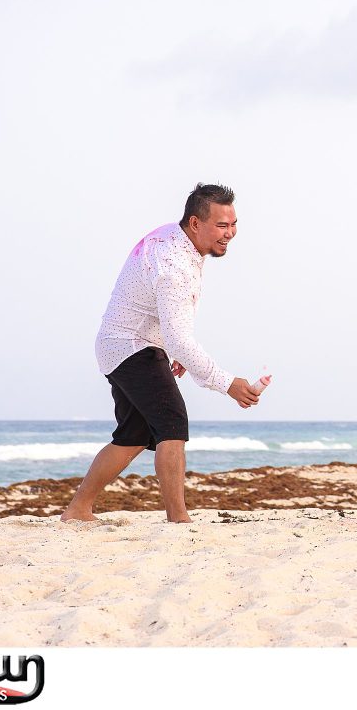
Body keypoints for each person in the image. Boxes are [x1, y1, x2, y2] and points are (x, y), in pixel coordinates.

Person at [61, 183, 262, 524]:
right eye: (221, 226)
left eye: (233, 224)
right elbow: (179, 333)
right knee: (172, 422)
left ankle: (79, 510)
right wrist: (227, 383)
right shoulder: (175, 266)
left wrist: (171, 345)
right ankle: (178, 518)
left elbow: (164, 315)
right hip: (132, 347)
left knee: (133, 435)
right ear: (196, 223)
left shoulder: (172, 237)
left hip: (118, 344)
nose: (230, 234)